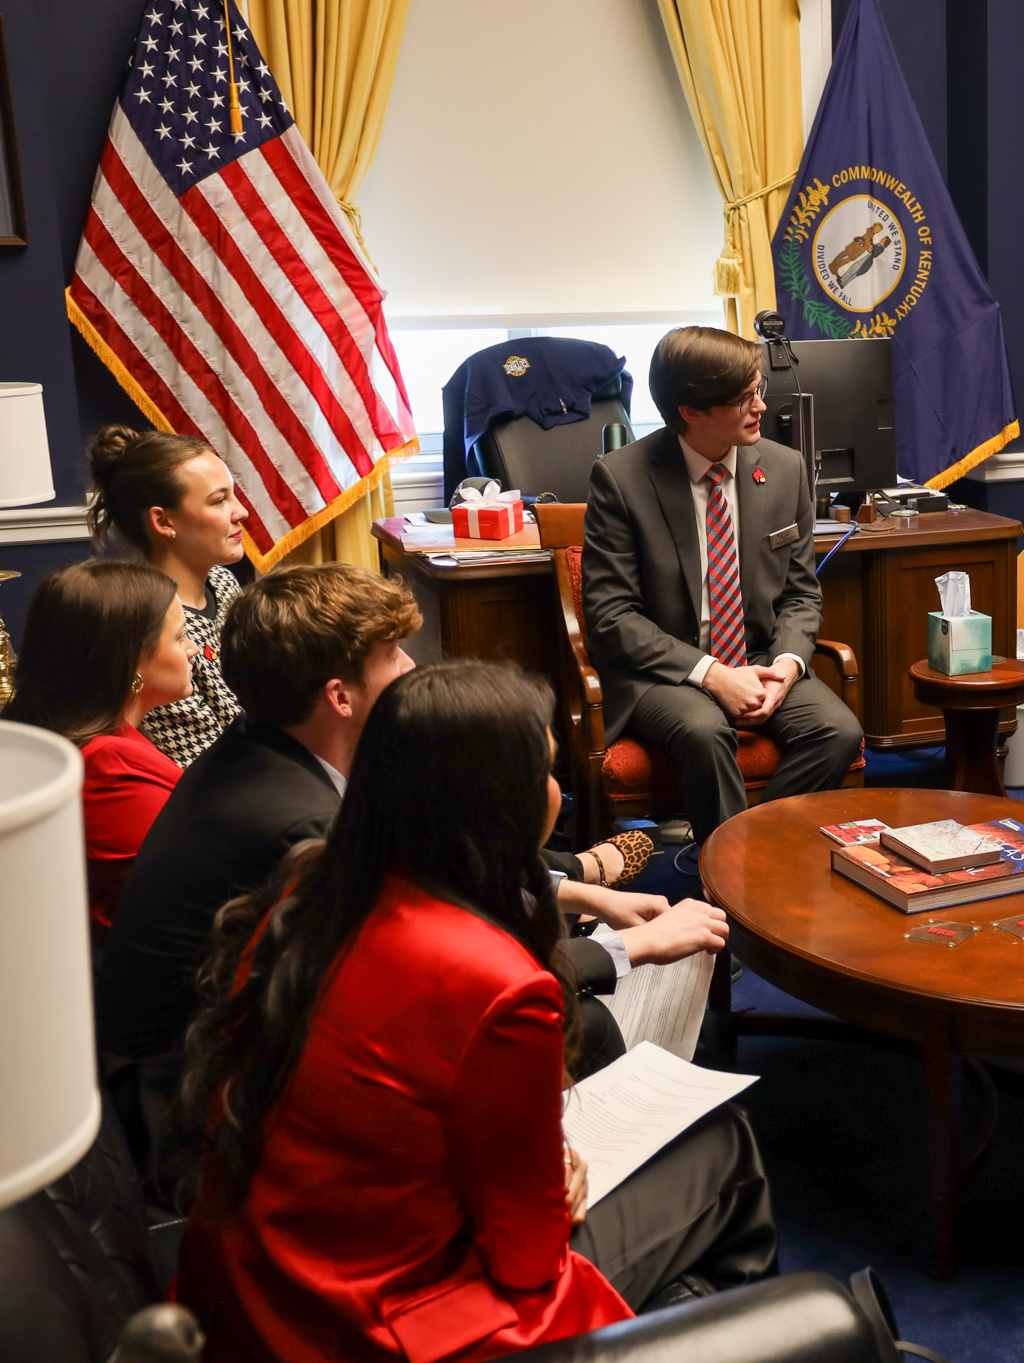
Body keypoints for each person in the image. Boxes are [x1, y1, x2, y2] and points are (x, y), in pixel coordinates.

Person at [174, 662, 777, 1359]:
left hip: (254, 1284)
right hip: (382, 1324)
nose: (556, 792)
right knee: (726, 1144)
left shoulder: (308, 889)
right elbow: (527, 1257)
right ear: (498, 806)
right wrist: (555, 1183)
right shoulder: (498, 982)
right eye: (544, 772)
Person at [99, 564, 715, 1070]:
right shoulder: (300, 826)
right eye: (392, 655)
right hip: (215, 1084)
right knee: (581, 1024)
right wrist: (630, 947)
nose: (411, 668)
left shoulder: (273, 744)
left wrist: (582, 895)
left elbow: (425, 875)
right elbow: (431, 988)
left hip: (266, 1031)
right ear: (339, 697)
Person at [581, 326, 864, 849]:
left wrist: (787, 665)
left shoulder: (784, 468)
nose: (761, 406)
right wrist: (712, 674)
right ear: (691, 410)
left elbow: (801, 593)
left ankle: (754, 859)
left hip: (759, 657)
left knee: (838, 731)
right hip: (665, 671)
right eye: (743, 398)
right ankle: (733, 873)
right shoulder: (621, 479)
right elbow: (612, 617)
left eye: (759, 389)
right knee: (704, 730)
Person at [5, 561, 196, 938]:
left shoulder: (106, 740)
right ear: (132, 661)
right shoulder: (109, 767)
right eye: (180, 637)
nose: (192, 649)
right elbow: (189, 892)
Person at [85, 425, 248, 766]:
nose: (241, 512)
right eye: (219, 500)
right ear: (163, 521)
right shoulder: (151, 626)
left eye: (233, 495)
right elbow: (208, 765)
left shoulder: (223, 583)